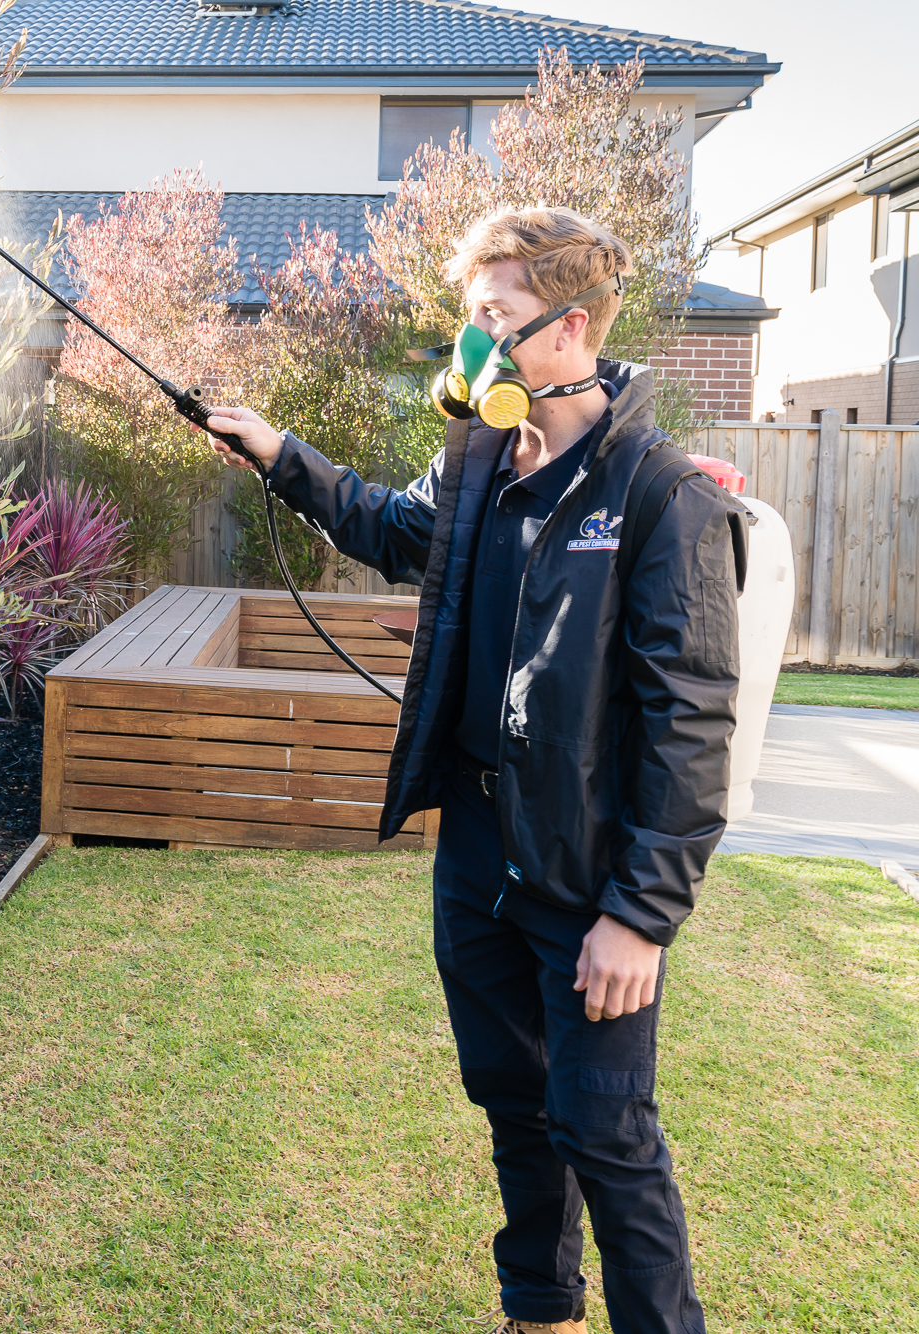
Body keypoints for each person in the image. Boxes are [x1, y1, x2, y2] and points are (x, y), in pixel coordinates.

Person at [205, 207, 738, 1334]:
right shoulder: (479, 456)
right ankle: (537, 1310)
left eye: (493, 316)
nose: (473, 342)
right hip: (478, 852)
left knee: (605, 1130)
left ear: (568, 327)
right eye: (469, 317)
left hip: (587, 875)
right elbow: (393, 530)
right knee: (511, 1099)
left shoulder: (656, 493)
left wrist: (638, 917)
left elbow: (690, 723)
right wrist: (278, 454)